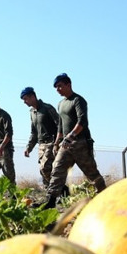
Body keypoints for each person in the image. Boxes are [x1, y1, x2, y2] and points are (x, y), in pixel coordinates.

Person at [39, 73, 106, 209]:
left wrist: (70, 136)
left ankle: (105, 196)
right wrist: (57, 141)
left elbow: (82, 122)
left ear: (68, 84)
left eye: (60, 86)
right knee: (57, 169)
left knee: (91, 172)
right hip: (65, 145)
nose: (58, 89)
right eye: (56, 87)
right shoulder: (61, 104)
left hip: (80, 143)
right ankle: (51, 201)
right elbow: (60, 125)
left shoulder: (78, 100)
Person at [20, 86, 59, 189]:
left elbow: (60, 124)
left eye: (25, 99)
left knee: (46, 168)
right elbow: (34, 132)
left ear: (32, 96)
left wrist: (58, 142)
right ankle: (51, 193)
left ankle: (59, 190)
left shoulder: (47, 108)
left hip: (52, 142)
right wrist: (29, 148)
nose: (24, 102)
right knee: (43, 171)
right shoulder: (32, 112)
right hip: (41, 145)